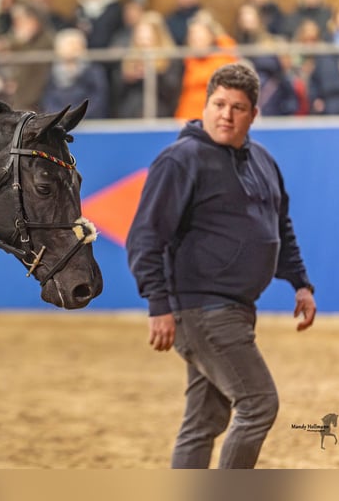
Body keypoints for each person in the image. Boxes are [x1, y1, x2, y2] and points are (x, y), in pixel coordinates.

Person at [126, 63, 317, 469]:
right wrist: (158, 305)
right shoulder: (179, 160)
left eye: (238, 107)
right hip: (200, 310)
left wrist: (300, 283)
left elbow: (279, 225)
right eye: (219, 104)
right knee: (258, 403)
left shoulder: (263, 160)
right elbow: (145, 237)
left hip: (236, 308)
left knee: (205, 419)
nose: (226, 114)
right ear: (205, 104)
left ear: (253, 114)